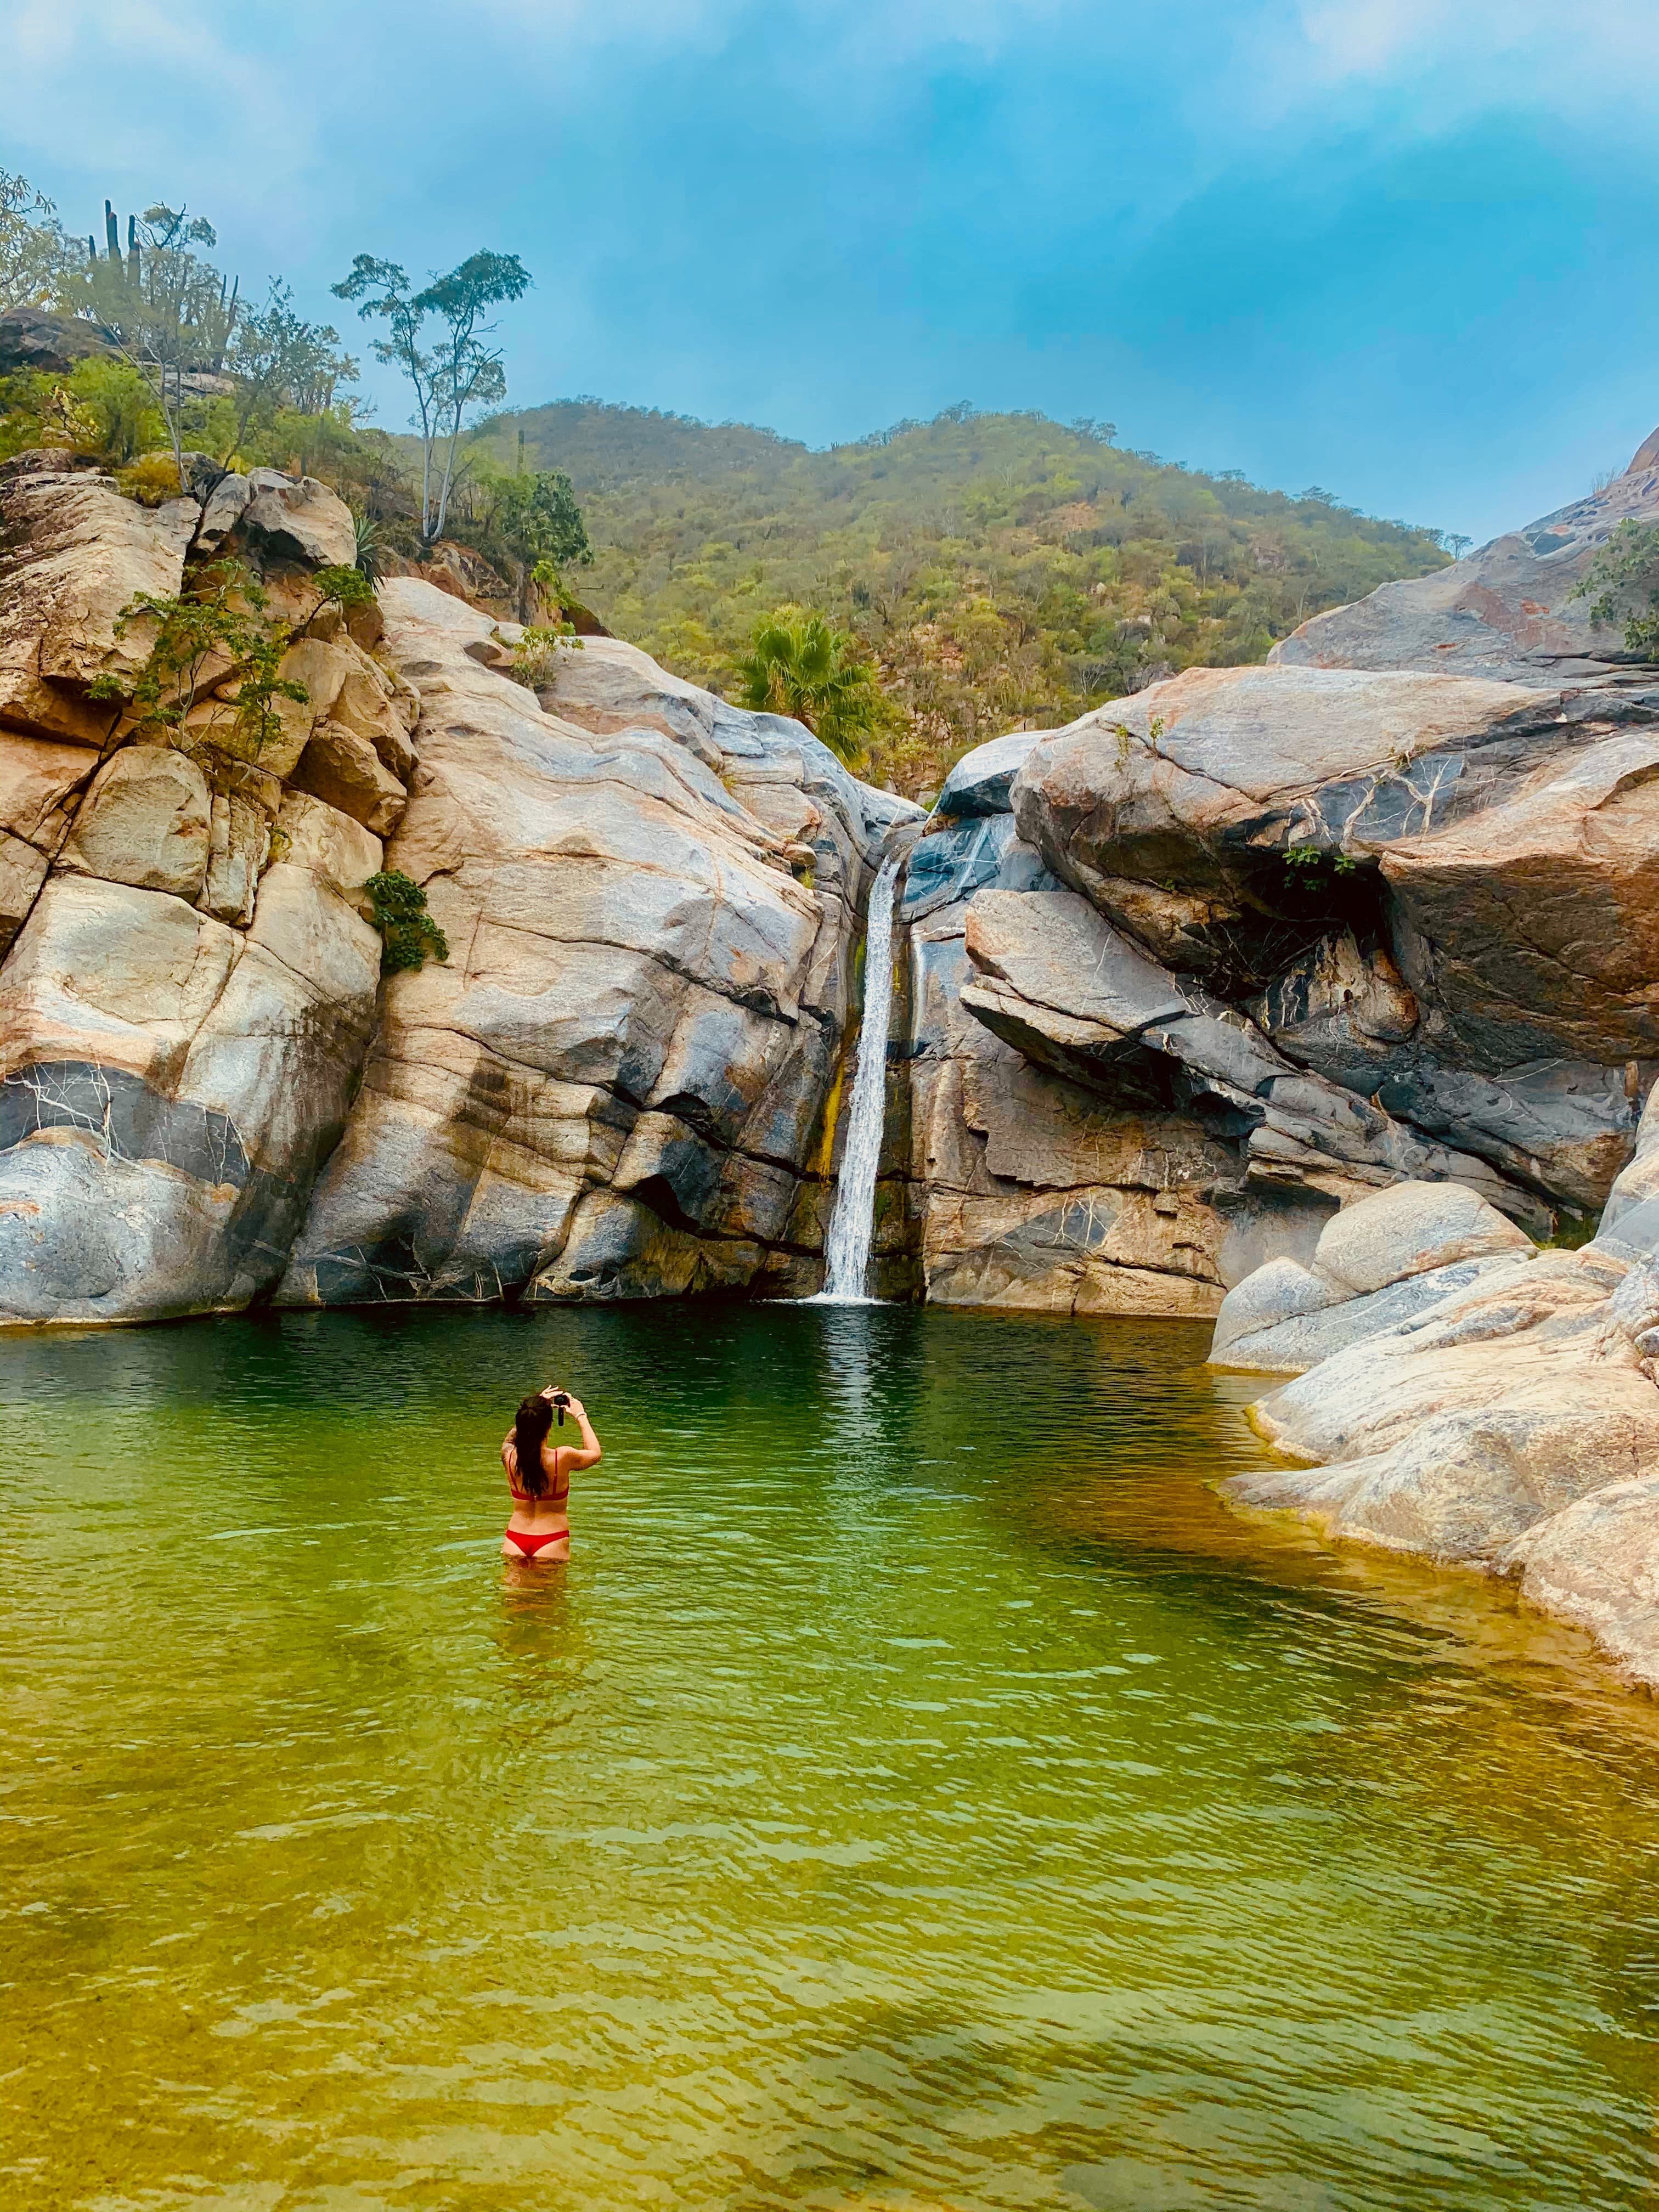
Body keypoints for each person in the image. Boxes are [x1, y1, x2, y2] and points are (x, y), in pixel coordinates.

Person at [501, 1385, 601, 1564]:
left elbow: (510, 1440)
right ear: (549, 1426)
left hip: (515, 1540)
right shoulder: (562, 1457)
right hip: (551, 1540)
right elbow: (595, 1453)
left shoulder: (509, 1456)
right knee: (551, 1593)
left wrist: (534, 1408)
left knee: (512, 1593)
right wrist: (580, 1415)